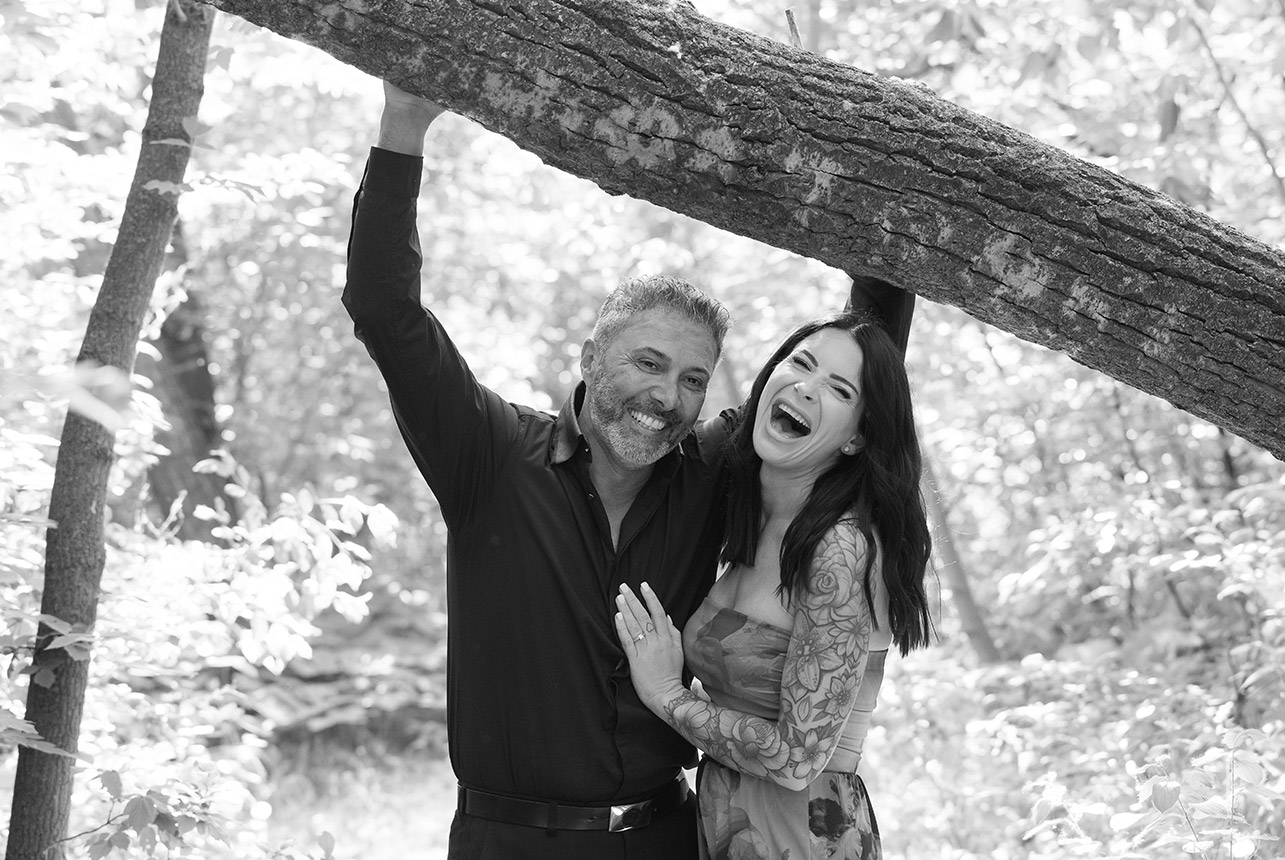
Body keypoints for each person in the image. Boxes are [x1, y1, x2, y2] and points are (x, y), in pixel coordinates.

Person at [343, 83, 734, 859]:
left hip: (668, 838)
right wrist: (404, 125)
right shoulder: (488, 453)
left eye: (693, 379)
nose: (667, 397)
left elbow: (833, 390)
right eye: (648, 364)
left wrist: (881, 240)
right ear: (590, 358)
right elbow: (385, 310)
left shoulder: (709, 475)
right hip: (508, 844)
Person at [614, 311, 933, 859]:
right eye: (801, 363)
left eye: (838, 389)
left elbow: (796, 759)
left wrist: (667, 697)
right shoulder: (755, 517)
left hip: (801, 835)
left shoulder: (839, 550)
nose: (806, 388)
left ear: (858, 439)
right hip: (728, 823)